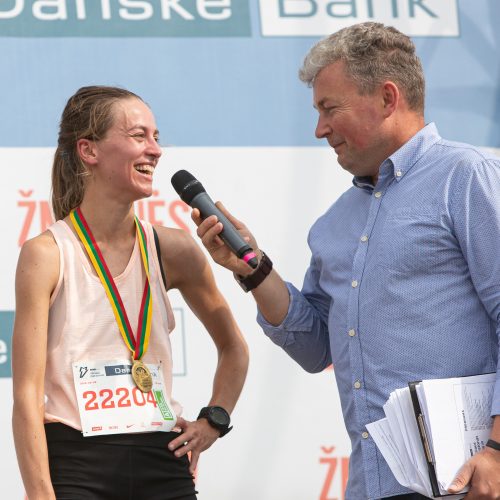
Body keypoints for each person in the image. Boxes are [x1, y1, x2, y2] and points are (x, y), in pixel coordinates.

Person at [192, 22, 500, 500]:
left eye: (329, 108)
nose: (320, 129)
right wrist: (252, 269)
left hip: (473, 483)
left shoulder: (467, 178)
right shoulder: (334, 224)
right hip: (372, 485)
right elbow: (316, 347)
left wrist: (498, 449)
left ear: (387, 97)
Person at [12, 85, 248, 499]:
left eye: (156, 137)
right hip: (77, 463)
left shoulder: (174, 249)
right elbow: (27, 395)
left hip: (163, 459)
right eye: (139, 136)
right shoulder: (46, 254)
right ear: (89, 151)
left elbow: (234, 347)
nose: (155, 150)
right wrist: (39, 493)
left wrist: (215, 419)